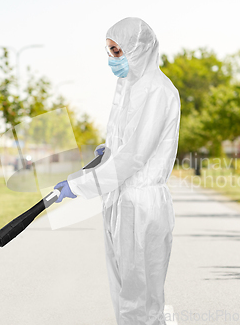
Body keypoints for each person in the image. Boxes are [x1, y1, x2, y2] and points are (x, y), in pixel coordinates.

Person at [54, 17, 180, 325]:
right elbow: (124, 144)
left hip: (141, 205)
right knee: (125, 294)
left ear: (138, 49)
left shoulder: (158, 91)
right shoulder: (128, 87)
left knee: (140, 300)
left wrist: (80, 185)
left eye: (117, 51)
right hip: (120, 201)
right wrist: (108, 151)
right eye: (109, 51)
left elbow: (134, 158)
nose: (112, 59)